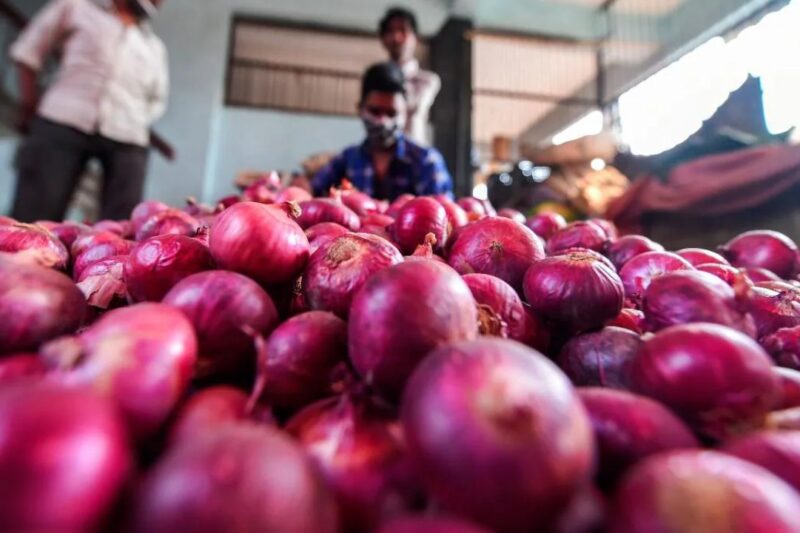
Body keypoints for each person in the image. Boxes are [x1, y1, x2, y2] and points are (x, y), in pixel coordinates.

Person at [9, 0, 169, 223]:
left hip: (129, 135)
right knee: (33, 215)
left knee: (123, 226)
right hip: (63, 119)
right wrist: (30, 106)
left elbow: (157, 100)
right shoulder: (75, 8)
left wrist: (136, 120)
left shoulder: (154, 47)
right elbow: (28, 52)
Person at [312, 62, 452, 201]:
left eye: (391, 113)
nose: (382, 121)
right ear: (360, 109)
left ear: (405, 114)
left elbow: (442, 215)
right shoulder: (348, 159)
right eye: (375, 111)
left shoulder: (426, 162)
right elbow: (312, 190)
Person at [379, 7, 440, 146]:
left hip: (414, 158)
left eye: (403, 31)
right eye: (390, 31)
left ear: (416, 39)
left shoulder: (427, 81)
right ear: (383, 40)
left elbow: (412, 108)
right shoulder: (376, 78)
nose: (396, 37)